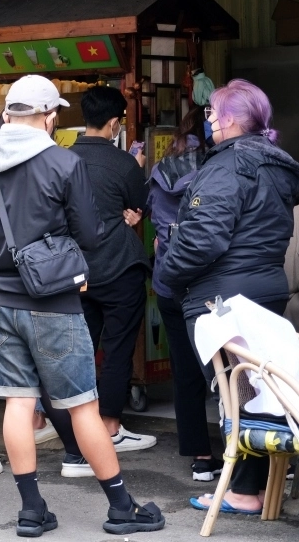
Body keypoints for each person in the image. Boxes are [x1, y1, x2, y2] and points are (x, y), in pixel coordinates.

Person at [0, 75, 165, 536]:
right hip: (54, 301)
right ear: (49, 117)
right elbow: (90, 235)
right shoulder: (64, 163)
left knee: (18, 401)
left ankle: (32, 510)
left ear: (8, 114)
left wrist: (1, 266)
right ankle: (121, 507)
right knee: (82, 405)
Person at [159, 79, 299, 516]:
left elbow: (201, 239)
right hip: (266, 284)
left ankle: (242, 491)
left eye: (212, 113)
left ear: (231, 119)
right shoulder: (278, 164)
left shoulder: (228, 165)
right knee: (257, 388)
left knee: (234, 395)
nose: (208, 121)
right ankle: (257, 483)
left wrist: (168, 274)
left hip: (221, 294)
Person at [133, 106, 221, 481]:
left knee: (185, 373)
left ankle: (200, 457)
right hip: (210, 287)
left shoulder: (160, 171)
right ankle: (246, 456)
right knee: (231, 374)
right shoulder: (217, 170)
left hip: (169, 285)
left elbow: (153, 221)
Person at [69, 87, 156, 453]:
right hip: (120, 267)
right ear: (113, 123)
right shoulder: (123, 163)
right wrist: (131, 209)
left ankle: (76, 427)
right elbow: (138, 207)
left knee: (79, 349)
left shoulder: (60, 160)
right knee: (119, 348)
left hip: (75, 272)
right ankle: (110, 426)